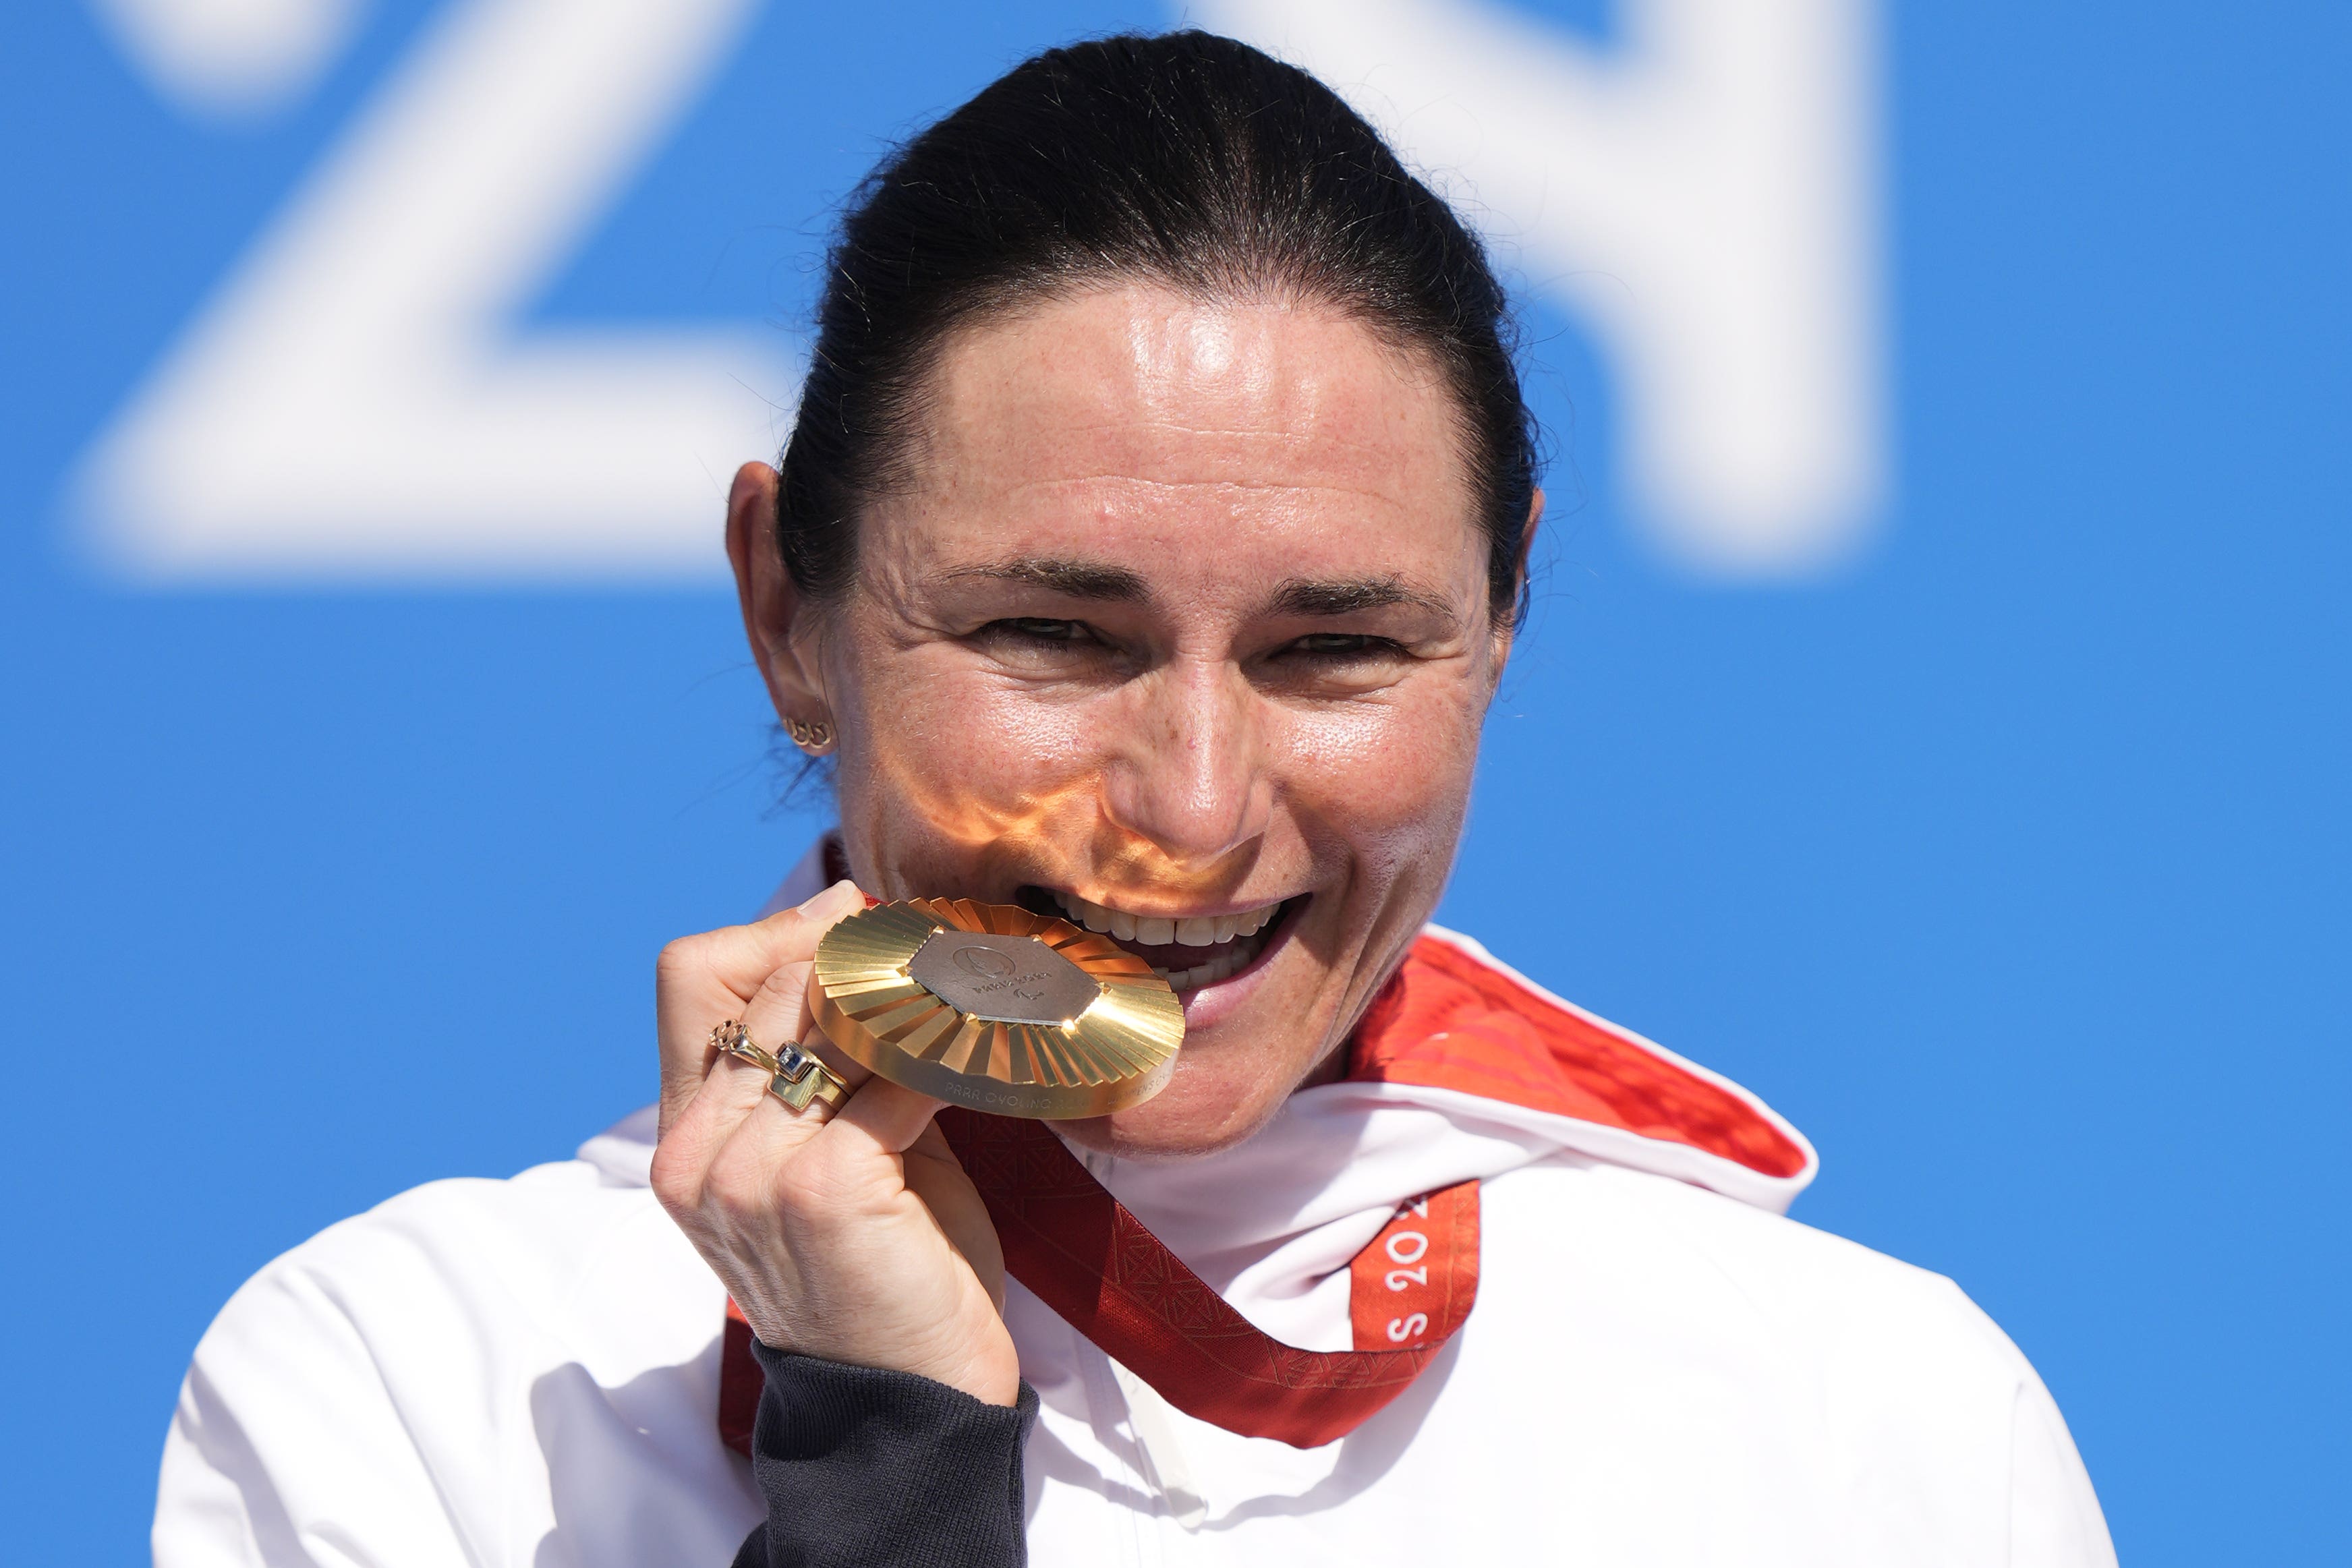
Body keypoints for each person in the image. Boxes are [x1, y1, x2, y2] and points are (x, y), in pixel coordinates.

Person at [154, 30, 2116, 1568]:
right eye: (1056, 638)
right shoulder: (424, 1398)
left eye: (1334, 652)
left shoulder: (1871, 1427)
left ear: (1503, 619)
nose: (1188, 809)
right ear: (785, 611)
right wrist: (888, 1465)